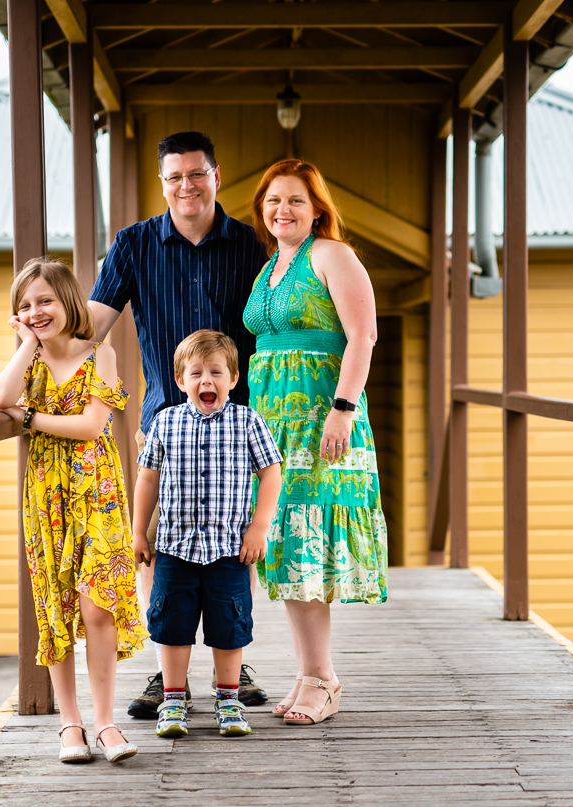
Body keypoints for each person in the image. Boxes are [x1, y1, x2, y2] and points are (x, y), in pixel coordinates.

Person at [86, 131, 271, 717]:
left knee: (230, 547)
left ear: (217, 176)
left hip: (238, 423)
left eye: (196, 174)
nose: (185, 186)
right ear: (162, 183)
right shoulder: (134, 245)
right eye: (174, 177)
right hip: (165, 421)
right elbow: (90, 324)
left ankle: (230, 665)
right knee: (161, 548)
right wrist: (31, 349)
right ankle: (165, 676)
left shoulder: (250, 245)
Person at [0, 258, 147, 763]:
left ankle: (105, 722)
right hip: (47, 495)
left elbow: (91, 426)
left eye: (45, 301)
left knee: (98, 605)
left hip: (96, 490)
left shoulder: (102, 354)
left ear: (68, 301)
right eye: (25, 306)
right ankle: (69, 725)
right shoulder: (29, 361)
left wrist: (29, 417)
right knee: (56, 603)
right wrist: (28, 344)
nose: (36, 311)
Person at [243, 159, 388, 725]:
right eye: (273, 200)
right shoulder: (271, 268)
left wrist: (343, 410)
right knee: (283, 544)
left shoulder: (332, 255)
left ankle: (322, 678)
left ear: (317, 208)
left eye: (295, 201)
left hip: (321, 420)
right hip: (272, 422)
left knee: (304, 543)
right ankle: (310, 674)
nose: (283, 209)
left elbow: (364, 335)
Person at [132, 330, 282, 737]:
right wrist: (138, 533)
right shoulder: (165, 422)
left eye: (216, 372)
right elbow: (147, 479)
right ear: (180, 381)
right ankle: (175, 698)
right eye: (195, 373)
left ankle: (228, 698)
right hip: (175, 550)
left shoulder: (248, 422)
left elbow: (271, 472)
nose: (206, 381)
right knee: (171, 627)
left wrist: (259, 527)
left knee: (228, 628)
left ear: (233, 378)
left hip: (229, 550)